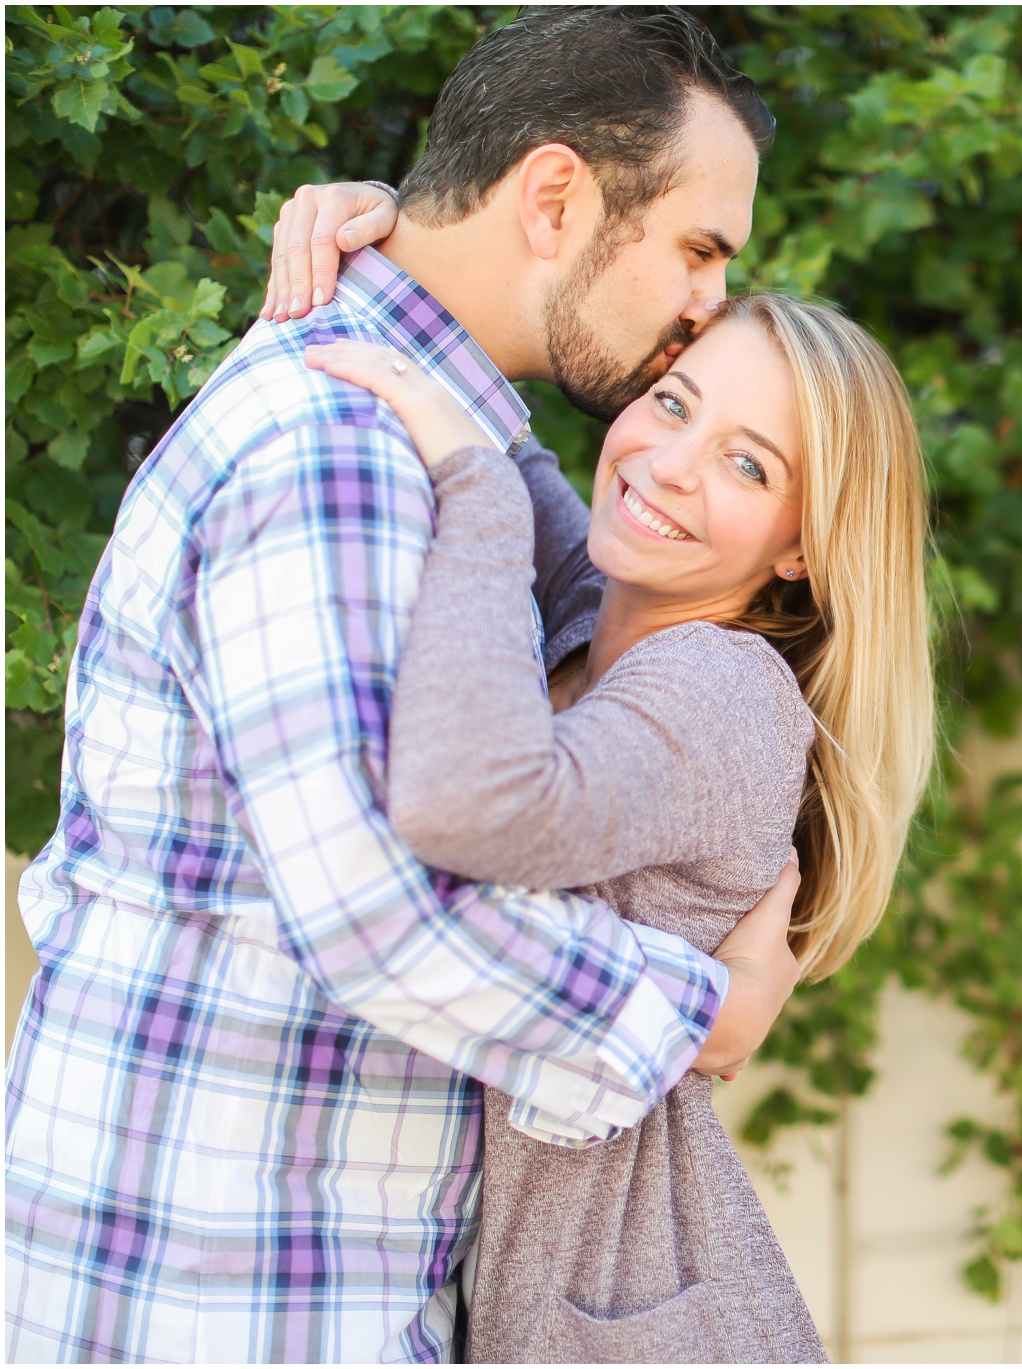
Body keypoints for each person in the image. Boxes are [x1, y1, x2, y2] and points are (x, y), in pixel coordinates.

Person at [4, 10, 802, 1362]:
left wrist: (394, 224)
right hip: (219, 1298)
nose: (706, 303)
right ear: (554, 195)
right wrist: (697, 1011)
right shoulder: (339, 450)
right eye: (698, 249)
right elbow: (381, 913)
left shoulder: (424, 435)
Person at [298, 283, 930, 1360]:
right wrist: (355, 226)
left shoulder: (723, 691)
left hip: (629, 1327)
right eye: (674, 403)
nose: (673, 464)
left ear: (800, 549)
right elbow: (479, 384)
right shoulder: (601, 603)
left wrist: (474, 496)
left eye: (750, 465)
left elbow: (474, 807)